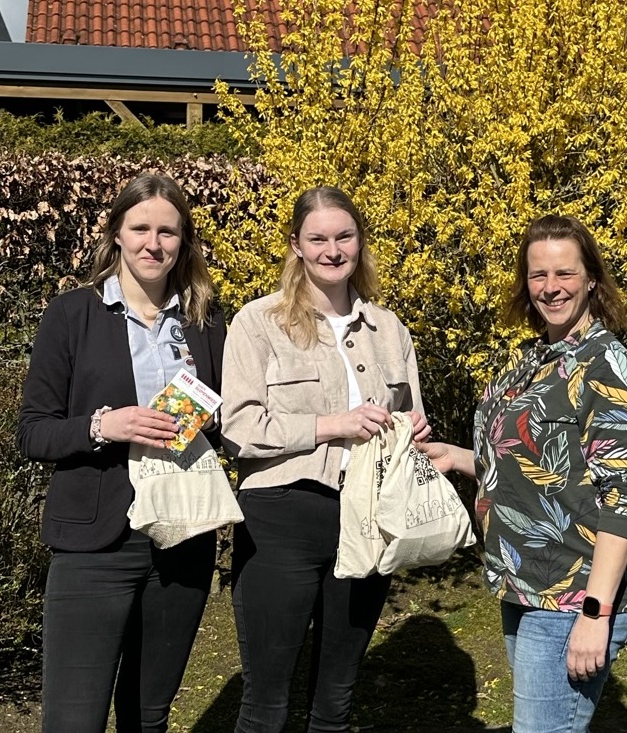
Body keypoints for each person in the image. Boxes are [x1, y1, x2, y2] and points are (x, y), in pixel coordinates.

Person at [419, 215, 627, 733]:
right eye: (538, 275)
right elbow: (536, 465)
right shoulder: (532, 360)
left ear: (592, 278)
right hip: (524, 585)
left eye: (564, 274)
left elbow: (623, 498)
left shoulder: (608, 367)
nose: (551, 288)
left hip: (574, 594)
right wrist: (458, 458)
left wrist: (596, 612)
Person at [17, 173, 226, 733]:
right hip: (94, 539)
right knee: (73, 721)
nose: (153, 243)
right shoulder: (73, 313)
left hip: (184, 536)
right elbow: (34, 432)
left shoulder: (204, 320)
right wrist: (105, 424)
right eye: (140, 228)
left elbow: (230, 421)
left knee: (148, 718)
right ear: (115, 232)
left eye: (167, 231)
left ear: (184, 242)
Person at [221, 185, 430, 733]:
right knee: (265, 706)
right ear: (295, 244)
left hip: (366, 517)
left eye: (344, 237)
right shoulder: (257, 323)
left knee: (335, 704)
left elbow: (410, 422)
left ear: (360, 243)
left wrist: (414, 432)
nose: (332, 250)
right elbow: (239, 428)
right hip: (281, 519)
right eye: (317, 239)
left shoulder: (391, 330)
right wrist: (331, 425)